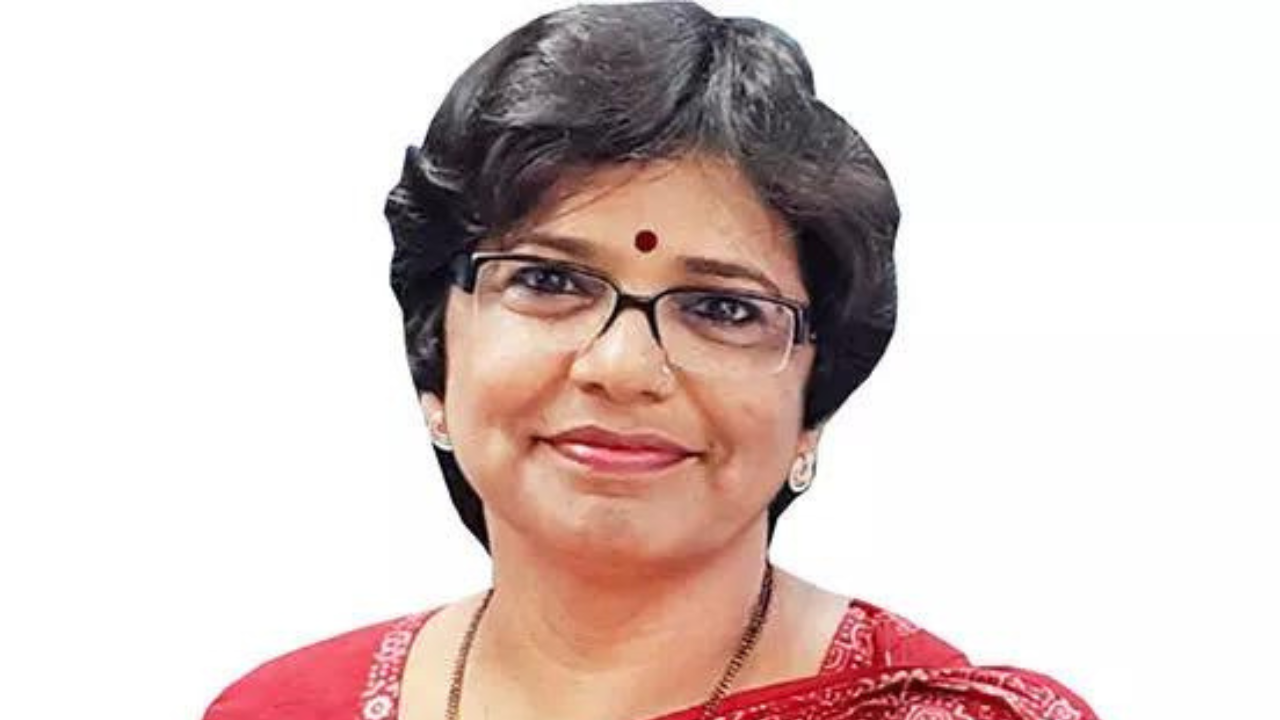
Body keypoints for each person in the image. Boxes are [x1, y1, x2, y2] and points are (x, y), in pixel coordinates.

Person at [203, 3, 1099, 719]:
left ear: (814, 406)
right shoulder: (281, 710)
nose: (623, 366)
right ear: (435, 358)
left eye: (721, 308)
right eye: (549, 281)